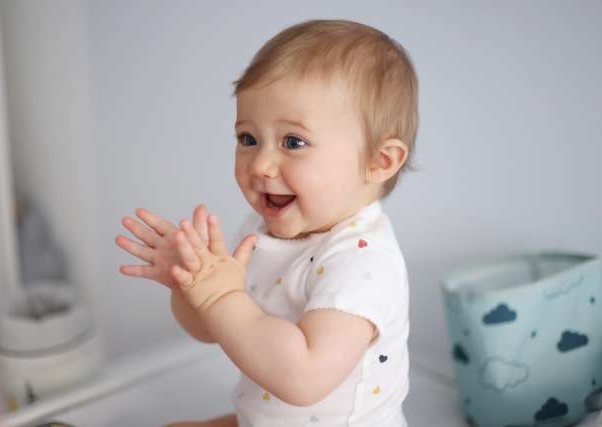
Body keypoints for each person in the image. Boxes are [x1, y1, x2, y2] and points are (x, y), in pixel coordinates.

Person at [116, 18, 418, 427]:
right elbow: (212, 329)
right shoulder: (265, 230)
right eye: (247, 139)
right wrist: (191, 285)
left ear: (378, 162)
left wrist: (219, 296)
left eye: (293, 142)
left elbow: (303, 378)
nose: (260, 163)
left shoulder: (364, 262)